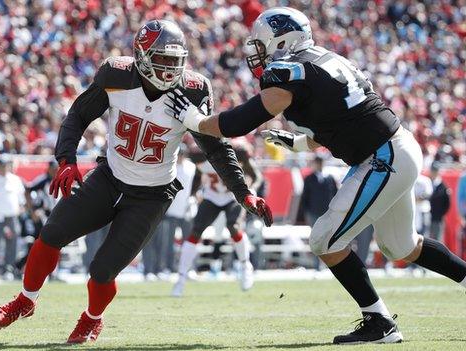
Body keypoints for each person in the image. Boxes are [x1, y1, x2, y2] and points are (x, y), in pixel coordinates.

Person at [164, 7, 466, 344]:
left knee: (324, 238)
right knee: (401, 245)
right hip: (394, 148)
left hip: (382, 157)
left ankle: (378, 320)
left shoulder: (288, 71)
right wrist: (298, 142)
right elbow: (341, 119)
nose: (257, 52)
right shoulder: (322, 60)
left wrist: (194, 120)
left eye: (261, 43)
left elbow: (237, 123)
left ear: (282, 40)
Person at [0, 19, 272, 344]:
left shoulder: (192, 90)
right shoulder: (117, 76)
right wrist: (66, 160)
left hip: (151, 196)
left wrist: (243, 192)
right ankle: (25, 301)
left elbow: (216, 146)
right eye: (162, 60)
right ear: (142, 55)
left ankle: (92, 319)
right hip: (110, 177)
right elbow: (78, 115)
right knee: (51, 234)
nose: (169, 70)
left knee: (102, 270)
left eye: (175, 62)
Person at [172, 146, 259, 296]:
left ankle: (245, 265)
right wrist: (194, 194)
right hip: (212, 196)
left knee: (233, 227)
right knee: (195, 231)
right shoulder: (201, 156)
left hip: (232, 196)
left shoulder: (237, 154)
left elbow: (255, 176)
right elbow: (197, 175)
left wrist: (248, 188)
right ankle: (181, 278)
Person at [142, 146, 195, 279]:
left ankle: (187, 268)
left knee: (188, 240)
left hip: (185, 209)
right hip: (167, 210)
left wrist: (194, 197)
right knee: (165, 242)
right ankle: (163, 268)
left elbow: (196, 183)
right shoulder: (170, 167)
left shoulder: (191, 167)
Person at [299, 155, 338, 269]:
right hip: (313, 213)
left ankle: (329, 263)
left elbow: (335, 196)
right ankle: (317, 265)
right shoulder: (309, 178)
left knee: (327, 239)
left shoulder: (330, 178)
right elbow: (305, 198)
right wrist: (306, 213)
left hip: (327, 214)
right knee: (316, 239)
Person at [428, 163, 451, 242]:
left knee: (437, 240)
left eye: (435, 171)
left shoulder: (443, 187)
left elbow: (447, 204)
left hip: (437, 218)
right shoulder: (427, 183)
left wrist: (440, 214)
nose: (433, 172)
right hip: (427, 217)